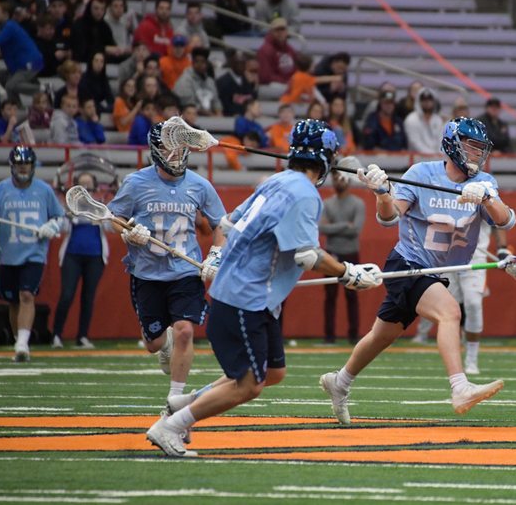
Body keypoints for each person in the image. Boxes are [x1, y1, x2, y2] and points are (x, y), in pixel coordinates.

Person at [145, 119, 381, 457]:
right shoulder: (305, 193)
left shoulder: (275, 181)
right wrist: (349, 273)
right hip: (246, 298)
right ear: (325, 159)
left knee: (273, 372)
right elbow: (307, 256)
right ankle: (172, 425)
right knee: (249, 385)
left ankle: (187, 402)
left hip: (249, 295)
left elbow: (228, 223)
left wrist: (230, 255)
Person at [320, 117, 515, 423]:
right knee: (450, 312)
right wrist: (382, 194)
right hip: (409, 263)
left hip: (435, 273)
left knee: (382, 335)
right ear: (453, 146)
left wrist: (488, 199)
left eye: (481, 148)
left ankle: (340, 381)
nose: (477, 154)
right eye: (471, 146)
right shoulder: (421, 174)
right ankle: (460, 387)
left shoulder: (485, 181)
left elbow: (505, 220)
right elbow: (389, 218)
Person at [108, 120, 227, 407]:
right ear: (155, 150)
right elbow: (114, 217)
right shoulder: (136, 182)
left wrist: (216, 254)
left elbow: (221, 224)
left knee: (185, 330)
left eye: (178, 147)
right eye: (167, 147)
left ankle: (175, 398)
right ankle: (165, 344)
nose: (174, 153)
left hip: (186, 271)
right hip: (147, 272)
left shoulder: (199, 185)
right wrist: (128, 232)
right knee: (153, 343)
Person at [0, 146, 64, 362]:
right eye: (19, 164)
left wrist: (51, 226)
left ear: (32, 166)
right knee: (13, 301)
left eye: (26, 164)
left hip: (34, 253)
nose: (23, 168)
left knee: (26, 295)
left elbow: (59, 217)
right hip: (8, 254)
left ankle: (23, 343)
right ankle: (18, 342)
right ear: (12, 166)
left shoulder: (44, 190)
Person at [413, 221, 508, 375]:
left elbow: (497, 221)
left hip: (475, 258)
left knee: (473, 304)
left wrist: (502, 248)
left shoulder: (483, 204)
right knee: (449, 308)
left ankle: (471, 359)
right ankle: (454, 356)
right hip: (446, 257)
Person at [52, 172, 110, 349]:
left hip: (95, 256)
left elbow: (110, 226)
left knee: (88, 297)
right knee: (67, 295)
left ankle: (82, 336)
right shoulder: (68, 205)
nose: (85, 187)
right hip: (72, 254)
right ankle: (56, 334)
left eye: (88, 184)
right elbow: (62, 226)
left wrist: (104, 216)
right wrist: (67, 215)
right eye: (82, 184)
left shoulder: (100, 206)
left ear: (95, 186)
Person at [320, 171, 366, 344]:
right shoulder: (327, 203)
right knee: (330, 296)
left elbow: (356, 230)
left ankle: (353, 336)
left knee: (352, 295)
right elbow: (321, 228)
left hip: (350, 253)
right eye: (335, 178)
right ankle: (329, 336)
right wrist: (345, 225)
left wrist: (333, 226)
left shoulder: (357, 203)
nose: (339, 181)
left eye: (342, 178)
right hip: (331, 254)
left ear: (349, 181)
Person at [0, 2, 44, 105]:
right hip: (21, 64)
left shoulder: (10, 26)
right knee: (1, 80)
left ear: (5, 14)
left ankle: (42, 89)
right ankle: (17, 108)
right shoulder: (6, 26)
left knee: (10, 85)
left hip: (29, 63)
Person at [71, 0, 122, 64]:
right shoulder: (79, 24)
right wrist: (105, 49)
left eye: (102, 9)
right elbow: (83, 48)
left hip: (103, 60)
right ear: (89, 8)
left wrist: (117, 50)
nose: (99, 12)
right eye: (96, 8)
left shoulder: (104, 26)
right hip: (84, 60)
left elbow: (111, 43)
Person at [256, 17, 298, 100]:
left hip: (286, 84)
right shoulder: (265, 50)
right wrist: (286, 82)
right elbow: (265, 77)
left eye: (282, 29)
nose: (280, 32)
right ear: (272, 32)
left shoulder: (291, 50)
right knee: (289, 90)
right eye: (277, 30)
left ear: (287, 31)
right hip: (269, 86)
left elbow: (297, 70)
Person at [172, 47, 222, 116]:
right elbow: (190, 105)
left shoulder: (210, 81)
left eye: (202, 62)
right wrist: (212, 117)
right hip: (191, 118)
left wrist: (219, 115)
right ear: (192, 63)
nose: (199, 65)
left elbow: (216, 102)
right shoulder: (185, 80)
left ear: (207, 63)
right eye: (197, 61)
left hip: (211, 119)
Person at [405, 87, 445, 154]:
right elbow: (415, 143)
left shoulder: (437, 119)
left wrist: (439, 155)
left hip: (437, 156)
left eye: (430, 100)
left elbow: (440, 140)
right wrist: (432, 155)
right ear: (418, 102)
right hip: (417, 157)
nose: (427, 102)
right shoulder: (411, 119)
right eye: (424, 100)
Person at [215, 48, 255, 117]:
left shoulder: (247, 82)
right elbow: (224, 105)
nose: (240, 66)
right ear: (232, 64)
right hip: (229, 118)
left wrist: (254, 85)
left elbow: (252, 100)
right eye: (238, 63)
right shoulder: (222, 82)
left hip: (246, 117)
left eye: (243, 64)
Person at [33, 14, 63, 78]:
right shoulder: (33, 45)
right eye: (49, 29)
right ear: (39, 28)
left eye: (54, 28)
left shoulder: (55, 42)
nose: (52, 32)